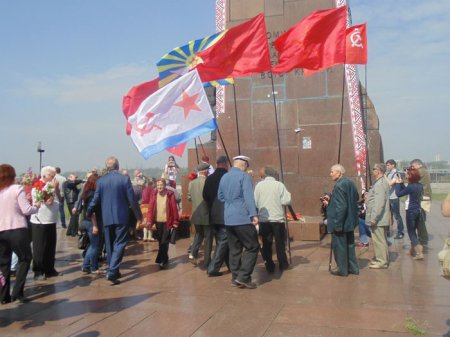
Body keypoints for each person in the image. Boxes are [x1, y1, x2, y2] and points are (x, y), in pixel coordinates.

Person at [86, 156, 142, 285]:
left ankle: (113, 271)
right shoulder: (124, 179)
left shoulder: (101, 181)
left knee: (111, 245)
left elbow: (95, 199)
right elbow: (132, 200)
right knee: (119, 244)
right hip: (121, 217)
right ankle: (112, 272)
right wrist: (138, 216)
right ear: (118, 166)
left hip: (107, 218)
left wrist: (89, 211)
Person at [218, 155, 259, 289]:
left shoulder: (224, 177)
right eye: (247, 166)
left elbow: (220, 197)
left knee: (234, 249)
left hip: (228, 218)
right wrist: (253, 214)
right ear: (244, 165)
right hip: (242, 217)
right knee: (252, 246)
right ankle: (244, 277)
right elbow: (248, 196)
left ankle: (235, 277)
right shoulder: (244, 176)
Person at [0, 164, 40, 304]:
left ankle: (3, 295)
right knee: (25, 258)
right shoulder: (17, 189)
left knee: (3, 263)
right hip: (17, 229)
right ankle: (17, 291)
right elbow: (26, 210)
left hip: (1, 230)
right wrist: (36, 207)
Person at [254, 166, 291, 273]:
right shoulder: (279, 185)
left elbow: (255, 202)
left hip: (264, 220)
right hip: (277, 219)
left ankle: (269, 265)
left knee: (266, 244)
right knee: (280, 243)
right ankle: (283, 264)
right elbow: (286, 201)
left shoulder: (259, 185)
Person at [30, 166, 63, 280]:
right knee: (39, 247)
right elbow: (46, 200)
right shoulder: (37, 186)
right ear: (44, 175)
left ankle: (50, 269)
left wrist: (56, 189)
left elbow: (59, 198)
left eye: (54, 176)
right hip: (40, 220)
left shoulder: (52, 186)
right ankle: (38, 271)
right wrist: (52, 188)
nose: (54, 178)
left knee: (50, 246)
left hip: (51, 219)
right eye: (51, 176)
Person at [326, 164, 359, 277]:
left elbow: (341, 206)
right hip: (350, 221)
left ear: (339, 173)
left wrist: (338, 224)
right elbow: (356, 198)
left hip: (341, 222)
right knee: (349, 245)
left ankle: (342, 269)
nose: (330, 174)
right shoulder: (350, 183)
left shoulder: (339, 185)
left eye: (332, 172)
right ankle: (353, 268)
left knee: (339, 246)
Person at [143, 178, 179, 269]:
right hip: (158, 221)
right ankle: (165, 258)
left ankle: (161, 260)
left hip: (168, 221)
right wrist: (149, 220)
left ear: (164, 185)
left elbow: (174, 208)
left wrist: (175, 221)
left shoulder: (170, 194)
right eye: (158, 185)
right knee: (160, 242)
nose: (159, 187)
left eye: (161, 185)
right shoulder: (154, 194)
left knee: (164, 241)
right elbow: (151, 208)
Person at [203, 156, 230, 277]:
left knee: (222, 241)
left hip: (213, 215)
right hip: (225, 214)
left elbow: (205, 196)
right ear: (225, 164)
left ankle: (232, 266)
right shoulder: (227, 177)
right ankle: (213, 268)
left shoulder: (209, 178)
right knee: (223, 242)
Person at [392, 167, 425, 260]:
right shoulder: (419, 186)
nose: (406, 175)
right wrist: (402, 183)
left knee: (411, 232)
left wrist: (398, 184)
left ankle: (419, 251)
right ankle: (413, 250)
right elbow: (407, 190)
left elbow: (399, 194)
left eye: (407, 174)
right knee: (413, 231)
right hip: (418, 210)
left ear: (411, 176)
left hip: (410, 211)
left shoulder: (411, 186)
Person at [366, 163, 390, 269]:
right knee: (381, 239)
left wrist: (374, 218)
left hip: (378, 218)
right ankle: (382, 259)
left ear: (379, 171)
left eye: (374, 169)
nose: (372, 170)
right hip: (379, 217)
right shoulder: (380, 182)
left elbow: (379, 203)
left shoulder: (380, 184)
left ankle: (382, 261)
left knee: (379, 240)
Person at [188, 163, 212, 267]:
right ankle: (207, 261)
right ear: (205, 171)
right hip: (206, 214)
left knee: (199, 234)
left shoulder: (191, 183)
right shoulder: (208, 181)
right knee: (208, 238)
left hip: (195, 214)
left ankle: (192, 253)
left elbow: (189, 198)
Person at [80, 173, 103, 274]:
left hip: (85, 221)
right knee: (95, 246)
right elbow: (92, 211)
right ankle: (93, 267)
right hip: (91, 222)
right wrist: (95, 225)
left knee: (91, 245)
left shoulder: (87, 193)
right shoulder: (93, 194)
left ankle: (86, 266)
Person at [410, 159, 432, 247]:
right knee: (421, 219)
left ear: (418, 165)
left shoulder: (420, 171)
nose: (412, 168)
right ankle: (422, 238)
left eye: (413, 166)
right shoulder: (425, 170)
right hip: (425, 197)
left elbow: (412, 180)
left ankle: (423, 239)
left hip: (422, 197)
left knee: (420, 220)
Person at [385, 159, 405, 239]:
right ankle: (388, 231)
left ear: (393, 165)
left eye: (388, 165)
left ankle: (400, 232)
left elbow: (390, 183)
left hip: (394, 197)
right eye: (387, 165)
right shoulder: (389, 173)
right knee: (388, 215)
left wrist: (385, 177)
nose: (387, 166)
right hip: (388, 197)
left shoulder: (396, 174)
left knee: (397, 215)